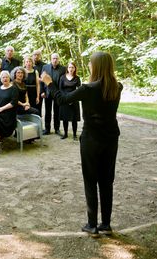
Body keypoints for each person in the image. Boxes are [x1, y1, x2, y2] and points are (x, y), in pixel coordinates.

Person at [41, 51, 123, 237]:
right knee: (106, 181)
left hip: (91, 140)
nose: (89, 66)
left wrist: (49, 83)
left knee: (90, 180)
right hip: (111, 139)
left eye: (91, 63)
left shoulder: (88, 89)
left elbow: (62, 99)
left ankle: (92, 225)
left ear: (97, 66)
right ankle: (106, 224)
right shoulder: (117, 87)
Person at [0, 70, 19, 155]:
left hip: (8, 114)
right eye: (3, 77)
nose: (5, 79)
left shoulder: (13, 89)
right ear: (0, 79)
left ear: (9, 78)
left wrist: (1, 109)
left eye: (6, 77)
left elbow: (13, 103)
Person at [42, 53, 66, 135]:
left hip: (57, 94)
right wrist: (42, 91)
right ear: (51, 59)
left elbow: (64, 82)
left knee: (57, 112)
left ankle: (57, 129)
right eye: (53, 58)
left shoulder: (63, 69)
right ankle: (47, 129)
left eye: (56, 58)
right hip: (47, 93)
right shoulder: (45, 67)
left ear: (58, 59)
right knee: (47, 112)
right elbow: (42, 80)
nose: (55, 60)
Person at [59, 62, 81, 140]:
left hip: (74, 100)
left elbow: (79, 90)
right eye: (69, 67)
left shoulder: (77, 78)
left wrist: (72, 99)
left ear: (75, 69)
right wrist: (66, 99)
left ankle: (75, 135)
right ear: (67, 68)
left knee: (74, 119)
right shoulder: (62, 77)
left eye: (72, 67)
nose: (71, 69)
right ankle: (65, 134)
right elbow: (60, 89)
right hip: (64, 100)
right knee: (65, 118)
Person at [33, 49, 46, 116]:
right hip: (31, 91)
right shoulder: (29, 64)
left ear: (40, 56)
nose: (36, 56)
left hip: (40, 90)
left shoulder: (44, 66)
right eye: (35, 55)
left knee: (38, 109)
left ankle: (39, 125)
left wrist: (43, 91)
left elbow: (45, 80)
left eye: (38, 55)